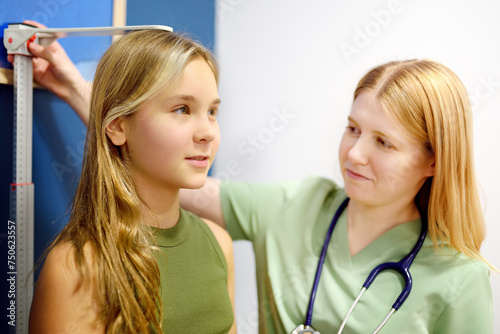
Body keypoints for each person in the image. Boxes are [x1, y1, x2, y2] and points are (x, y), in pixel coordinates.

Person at [16, 22, 494, 333]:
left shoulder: (461, 279)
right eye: (352, 129)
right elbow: (172, 175)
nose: (355, 153)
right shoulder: (298, 206)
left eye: (384, 143)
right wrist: (83, 92)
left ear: (435, 161)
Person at [23, 26, 236, 333]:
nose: (207, 132)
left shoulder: (220, 245)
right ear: (118, 126)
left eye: (212, 111)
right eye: (182, 109)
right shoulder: (76, 267)